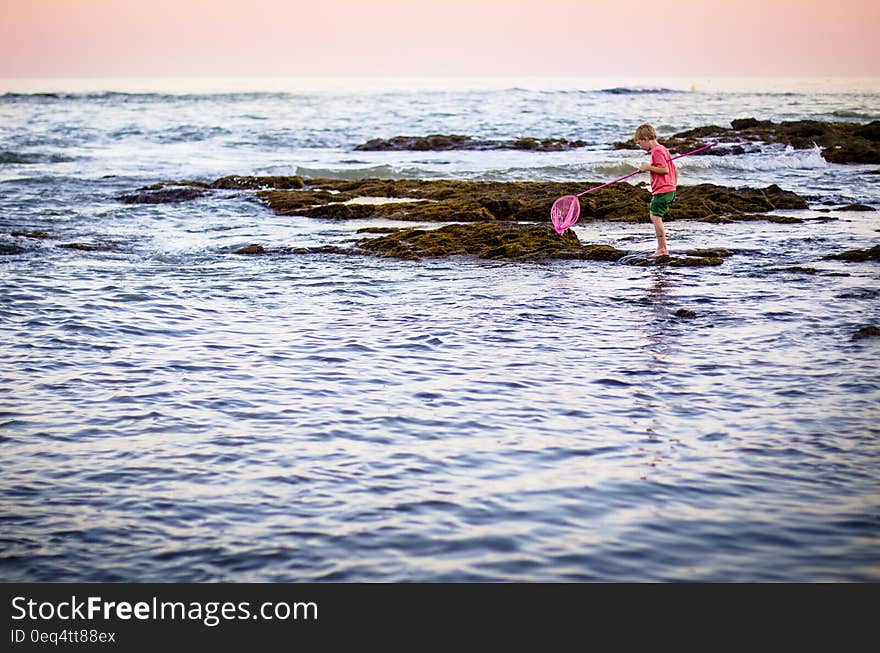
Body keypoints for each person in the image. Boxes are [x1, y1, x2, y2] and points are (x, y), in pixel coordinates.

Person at [634, 123, 677, 257]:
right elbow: (674, 169)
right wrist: (672, 185)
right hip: (669, 189)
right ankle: (662, 248)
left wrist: (648, 167)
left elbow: (664, 170)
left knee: (655, 217)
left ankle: (662, 249)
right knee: (656, 216)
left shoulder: (656, 151)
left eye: (640, 143)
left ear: (646, 138)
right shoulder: (662, 149)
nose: (640, 147)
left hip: (663, 191)